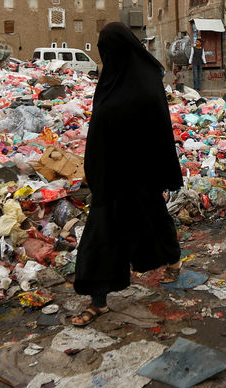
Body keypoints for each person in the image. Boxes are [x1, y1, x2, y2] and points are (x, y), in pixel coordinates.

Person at [72, 22, 184, 327]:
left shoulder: (147, 82)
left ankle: (174, 259)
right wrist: (93, 172)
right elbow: (98, 131)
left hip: (142, 175)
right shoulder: (109, 80)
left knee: (154, 222)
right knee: (101, 235)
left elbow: (162, 132)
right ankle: (98, 301)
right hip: (111, 178)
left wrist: (167, 175)